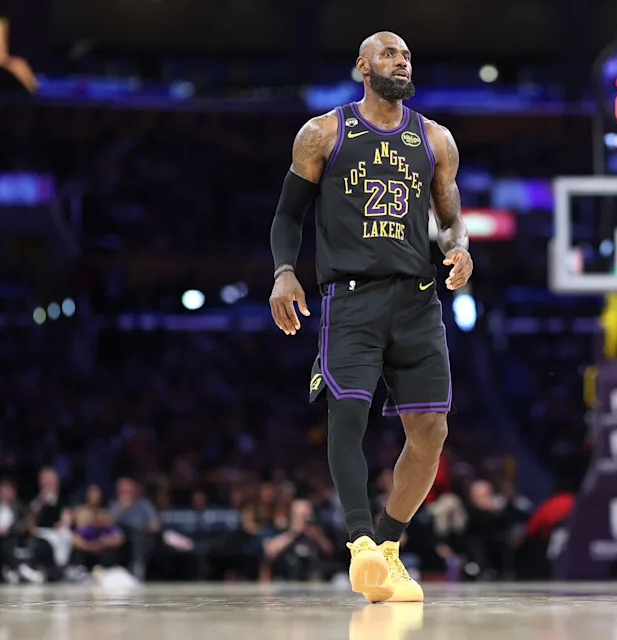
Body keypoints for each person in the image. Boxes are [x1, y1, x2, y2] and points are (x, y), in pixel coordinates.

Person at [268, 31, 472, 603]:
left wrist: (460, 248)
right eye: (389, 54)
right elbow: (288, 216)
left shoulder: (435, 139)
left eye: (407, 55)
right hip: (352, 299)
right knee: (348, 416)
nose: (401, 61)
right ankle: (359, 541)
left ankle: (387, 546)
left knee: (432, 431)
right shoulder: (324, 132)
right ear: (362, 66)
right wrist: (285, 271)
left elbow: (451, 218)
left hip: (418, 298)